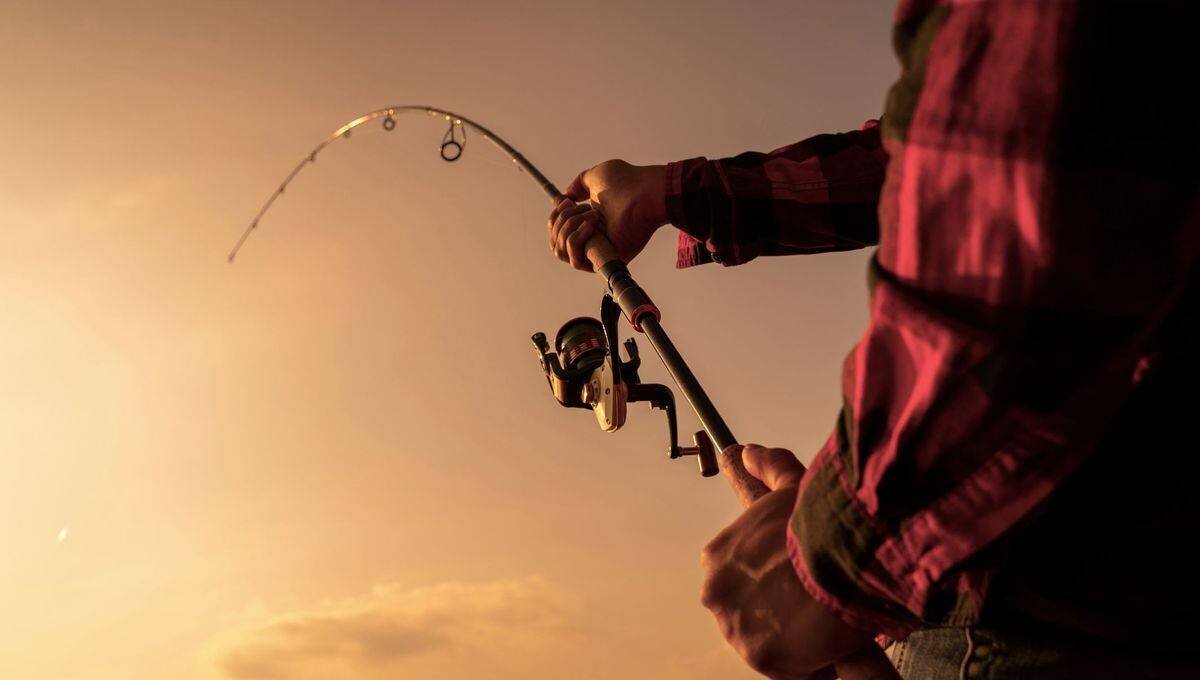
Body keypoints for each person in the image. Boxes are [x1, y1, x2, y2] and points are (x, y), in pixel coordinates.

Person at [547, 1, 1200, 678]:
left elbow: (1027, 171)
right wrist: (670, 193)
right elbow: (947, 143)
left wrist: (835, 554)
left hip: (1071, 592)